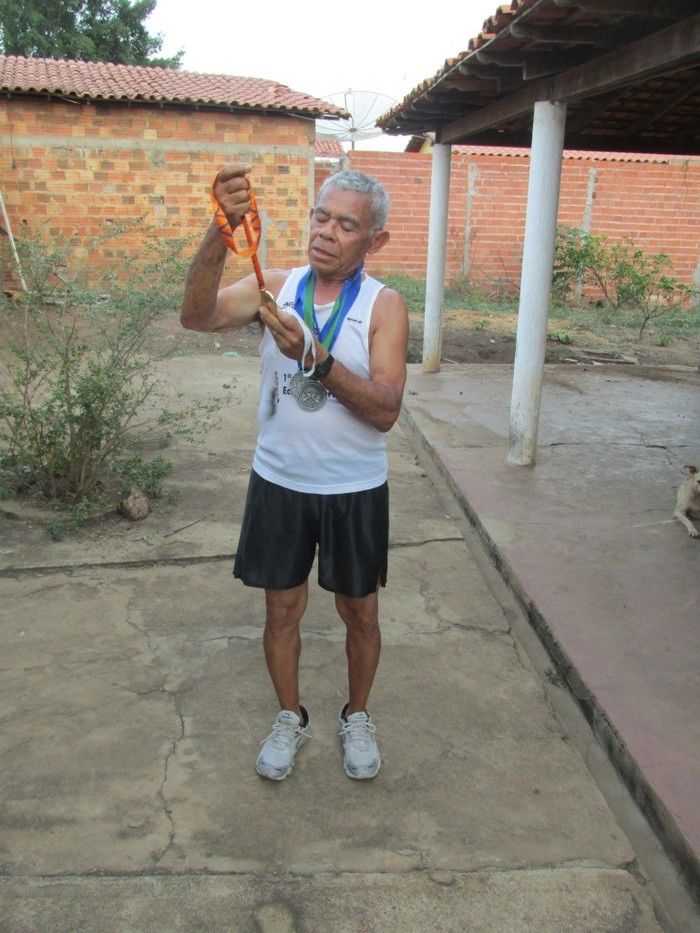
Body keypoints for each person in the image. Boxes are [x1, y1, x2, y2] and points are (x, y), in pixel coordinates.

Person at [181, 165, 408, 781]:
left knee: (360, 613)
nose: (326, 232)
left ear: (374, 241)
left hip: (353, 489)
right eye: (320, 216)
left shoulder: (383, 306)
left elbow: (386, 410)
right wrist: (219, 231)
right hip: (278, 481)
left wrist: (312, 357)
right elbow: (195, 316)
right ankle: (290, 716)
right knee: (281, 611)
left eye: (346, 224)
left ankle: (356, 715)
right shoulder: (274, 285)